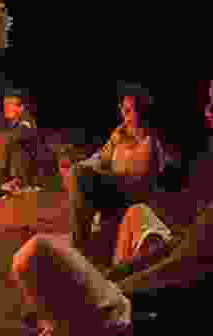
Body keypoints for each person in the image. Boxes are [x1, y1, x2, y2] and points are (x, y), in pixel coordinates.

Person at [8, 65, 213, 336]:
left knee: (36, 255)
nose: (208, 114)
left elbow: (186, 278)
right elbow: (178, 248)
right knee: (137, 220)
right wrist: (109, 277)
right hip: (166, 303)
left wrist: (117, 289)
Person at [68, 86, 170, 255]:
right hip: (114, 193)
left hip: (132, 198)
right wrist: (78, 168)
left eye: (131, 110)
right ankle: (80, 245)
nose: (126, 114)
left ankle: (79, 248)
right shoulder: (119, 135)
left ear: (143, 112)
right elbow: (100, 160)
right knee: (78, 172)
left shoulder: (151, 141)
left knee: (81, 175)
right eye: (124, 109)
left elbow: (140, 180)